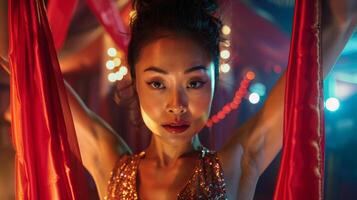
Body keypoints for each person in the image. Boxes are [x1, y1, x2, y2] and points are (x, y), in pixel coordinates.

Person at [1, 0, 357, 199]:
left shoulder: (236, 166)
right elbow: (27, 67)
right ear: (135, 81)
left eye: (195, 82)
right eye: (157, 83)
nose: (177, 104)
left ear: (216, 82)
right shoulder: (110, 165)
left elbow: (337, 25)